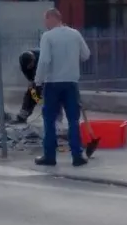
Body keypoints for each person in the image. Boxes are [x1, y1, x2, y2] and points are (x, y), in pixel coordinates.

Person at [33, 8, 91, 167]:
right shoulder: (75, 34)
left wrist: (37, 82)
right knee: (73, 119)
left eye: (46, 20)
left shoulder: (48, 36)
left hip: (52, 83)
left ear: (52, 18)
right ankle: (77, 156)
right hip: (71, 83)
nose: (45, 23)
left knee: (50, 120)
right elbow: (86, 55)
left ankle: (49, 156)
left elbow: (44, 60)